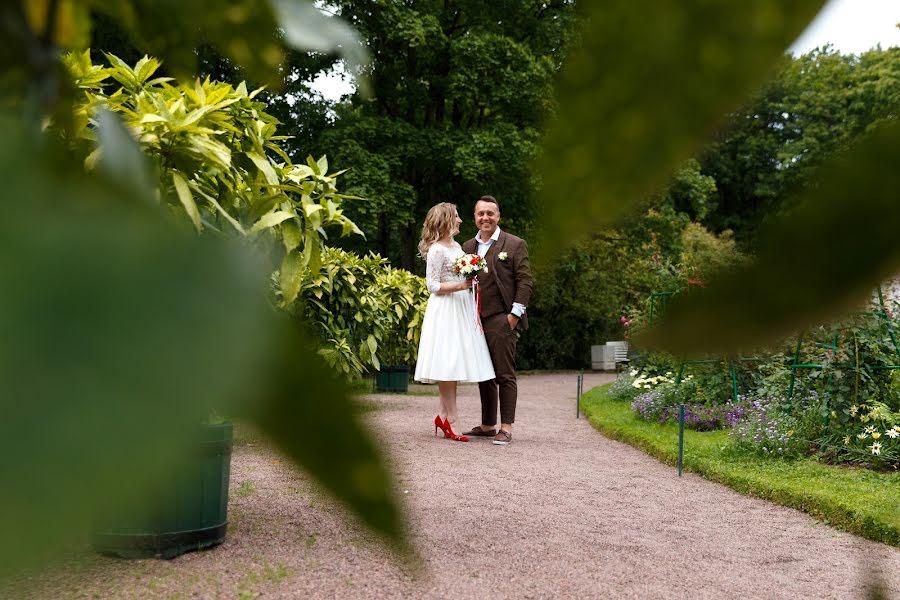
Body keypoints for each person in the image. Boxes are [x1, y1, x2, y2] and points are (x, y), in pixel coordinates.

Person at [414, 202, 496, 442]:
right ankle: (453, 420)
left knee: (454, 363)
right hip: (446, 309)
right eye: (457, 216)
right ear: (447, 220)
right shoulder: (437, 249)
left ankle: (442, 415)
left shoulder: (457, 246)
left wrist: (469, 280)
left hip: (461, 306)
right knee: (447, 364)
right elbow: (432, 285)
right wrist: (461, 285)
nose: (460, 220)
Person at [461, 196, 533, 445]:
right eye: (481, 213)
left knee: (504, 374)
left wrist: (514, 315)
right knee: (484, 374)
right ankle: (487, 425)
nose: (485, 218)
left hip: (501, 318)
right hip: (475, 320)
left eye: (490, 213)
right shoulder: (468, 246)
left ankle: (506, 427)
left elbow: (525, 281)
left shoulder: (514, 244)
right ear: (475, 217)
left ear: (498, 216)